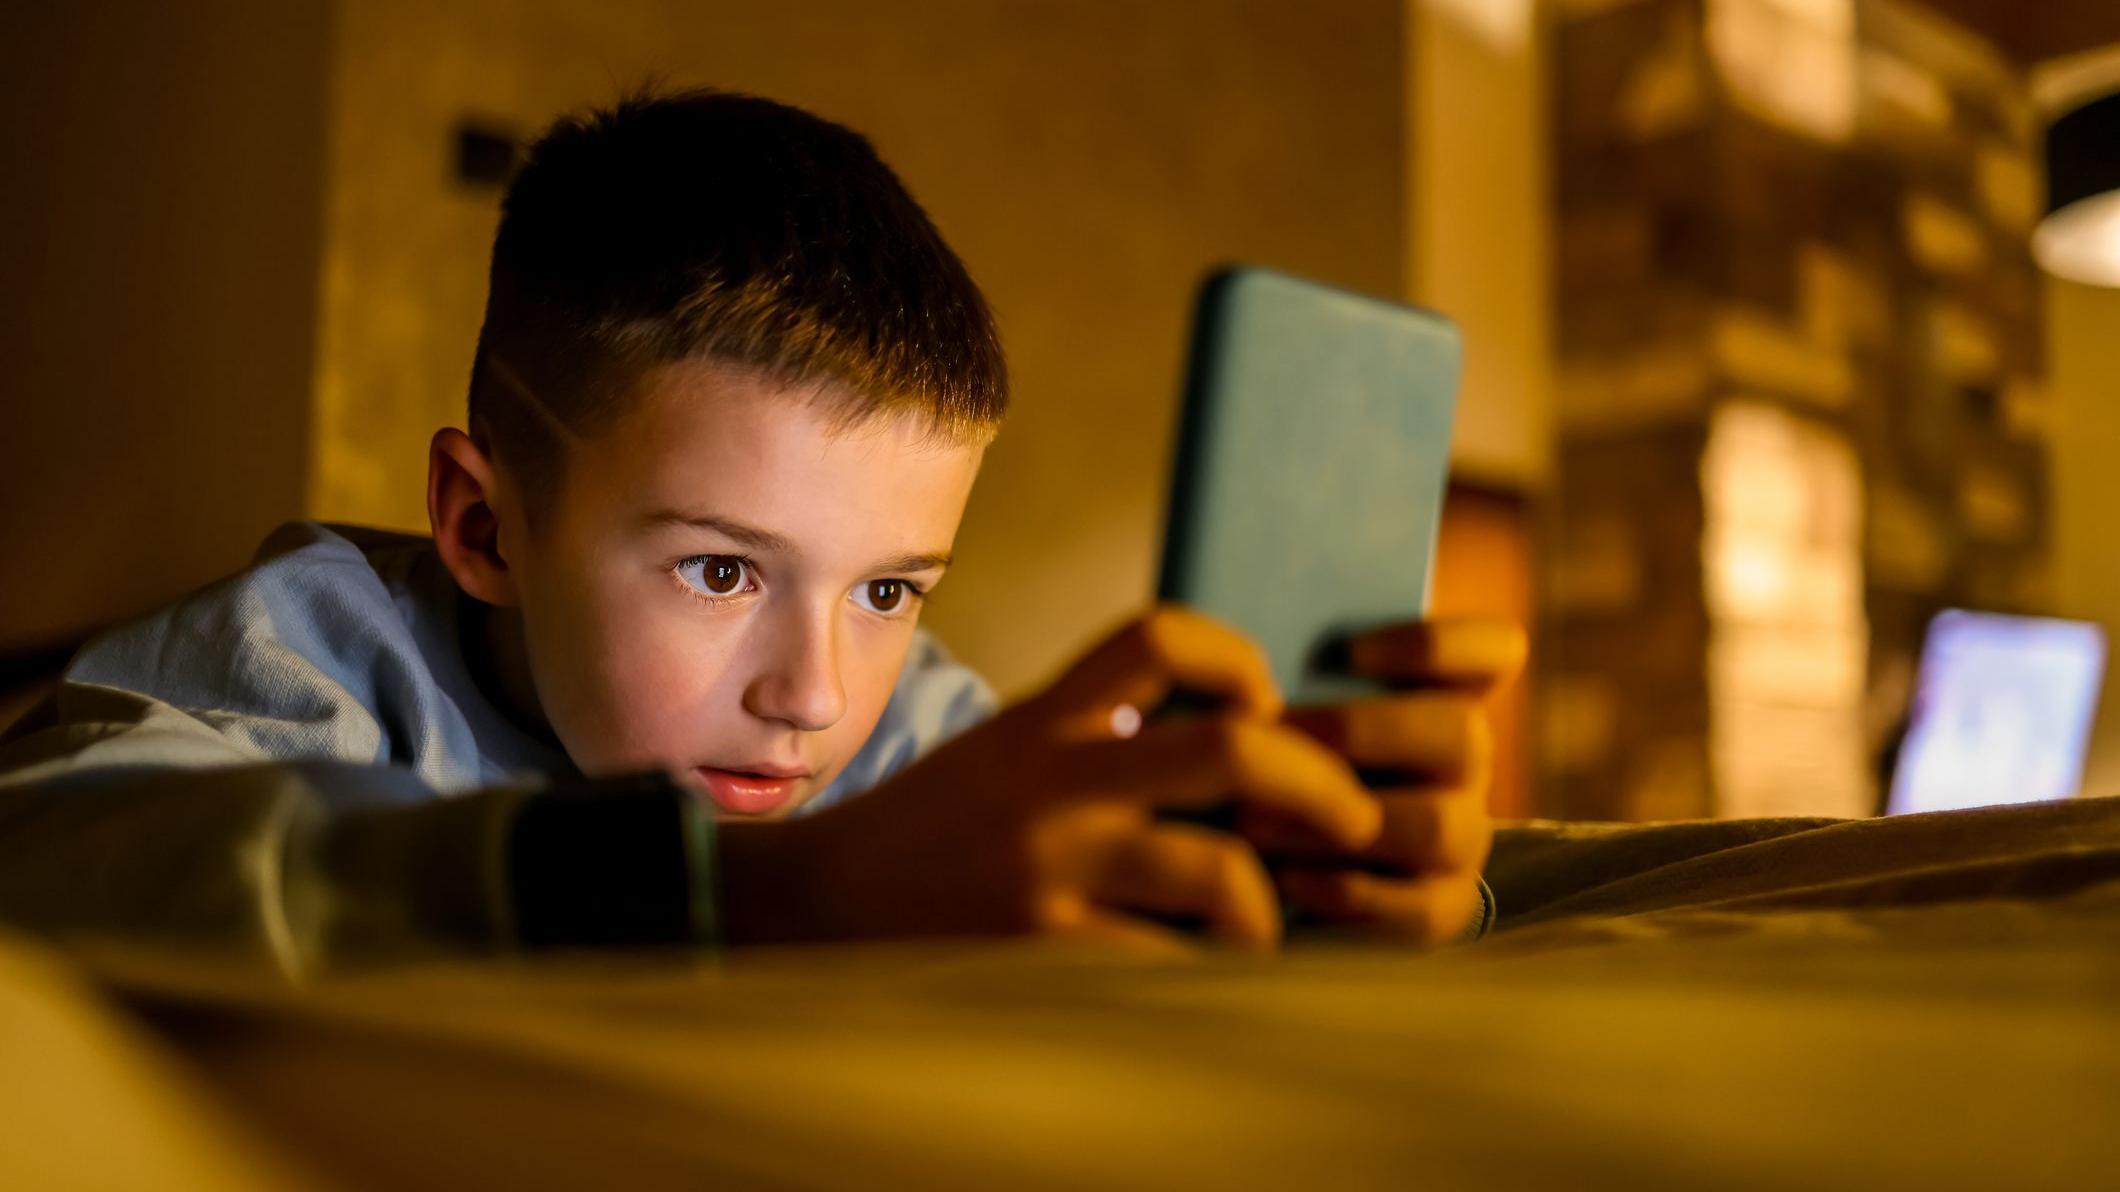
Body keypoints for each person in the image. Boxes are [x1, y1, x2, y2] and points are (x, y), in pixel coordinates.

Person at [0, 89, 1522, 974]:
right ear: (481, 527)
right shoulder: (309, 652)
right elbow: (55, 855)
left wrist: (1371, 885)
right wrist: (763, 892)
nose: (814, 694)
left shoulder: (907, 723)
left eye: (887, 588)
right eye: (721, 569)